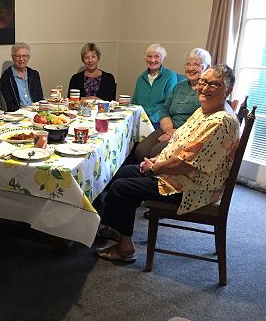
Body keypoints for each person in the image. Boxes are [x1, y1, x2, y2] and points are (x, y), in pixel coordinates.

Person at [96, 65, 239, 263]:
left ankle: (125, 249)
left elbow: (186, 164)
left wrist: (154, 167)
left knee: (122, 187)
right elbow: (180, 145)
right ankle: (118, 230)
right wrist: (156, 160)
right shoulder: (205, 110)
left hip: (193, 187)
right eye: (203, 82)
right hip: (181, 175)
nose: (205, 88)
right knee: (124, 172)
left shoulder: (219, 121)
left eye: (214, 84)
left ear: (228, 90)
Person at [134, 48, 212, 162]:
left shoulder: (207, 91)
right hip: (168, 128)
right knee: (141, 150)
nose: (190, 68)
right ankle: (143, 174)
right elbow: (164, 110)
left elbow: (203, 121)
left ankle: (158, 178)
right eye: (188, 64)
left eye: (196, 65)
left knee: (156, 152)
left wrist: (175, 134)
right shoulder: (179, 86)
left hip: (189, 135)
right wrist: (169, 130)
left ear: (207, 67)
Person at [131, 44, 178, 129]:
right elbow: (134, 103)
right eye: (149, 56)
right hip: (140, 120)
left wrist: (151, 120)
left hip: (160, 121)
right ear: (145, 59)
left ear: (162, 59)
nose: (152, 60)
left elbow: (168, 105)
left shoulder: (170, 76)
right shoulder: (140, 79)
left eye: (157, 56)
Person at [0, 42, 44, 111]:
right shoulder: (6, 76)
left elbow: (40, 97)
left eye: (24, 56)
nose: (21, 59)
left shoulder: (34, 74)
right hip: (17, 115)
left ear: (28, 57)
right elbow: (7, 103)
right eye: (18, 56)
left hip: (35, 112)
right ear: (13, 57)